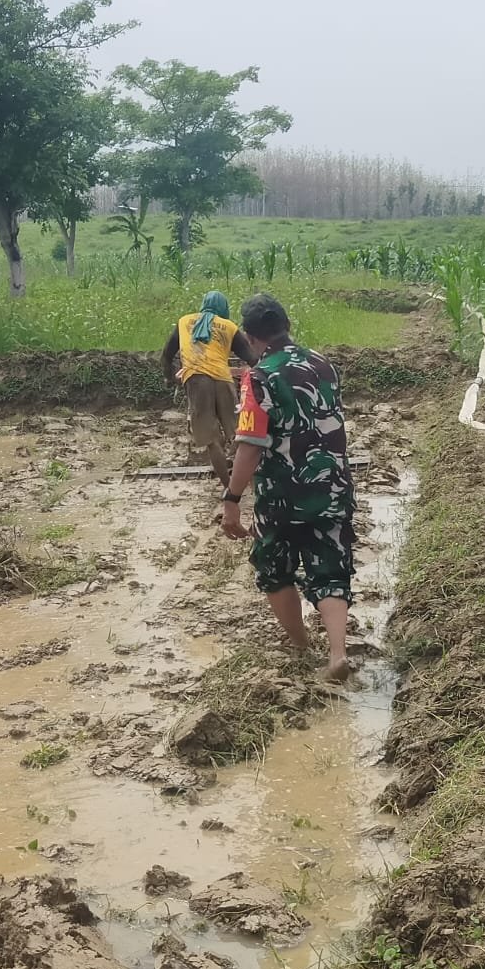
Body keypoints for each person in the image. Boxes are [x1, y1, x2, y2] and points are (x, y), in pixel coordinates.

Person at [220, 293, 355, 681]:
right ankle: (337, 654)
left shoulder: (259, 377)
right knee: (330, 568)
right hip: (332, 486)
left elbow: (249, 445)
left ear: (249, 336)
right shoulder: (323, 364)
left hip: (283, 495)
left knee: (274, 569)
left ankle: (299, 645)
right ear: (287, 326)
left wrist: (232, 498)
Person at [160, 290, 258, 482]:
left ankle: (228, 489)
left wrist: (169, 378)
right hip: (223, 379)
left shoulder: (184, 322)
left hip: (196, 381)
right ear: (224, 309)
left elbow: (166, 356)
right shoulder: (229, 326)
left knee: (212, 441)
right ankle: (249, 482)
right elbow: (252, 358)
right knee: (240, 433)